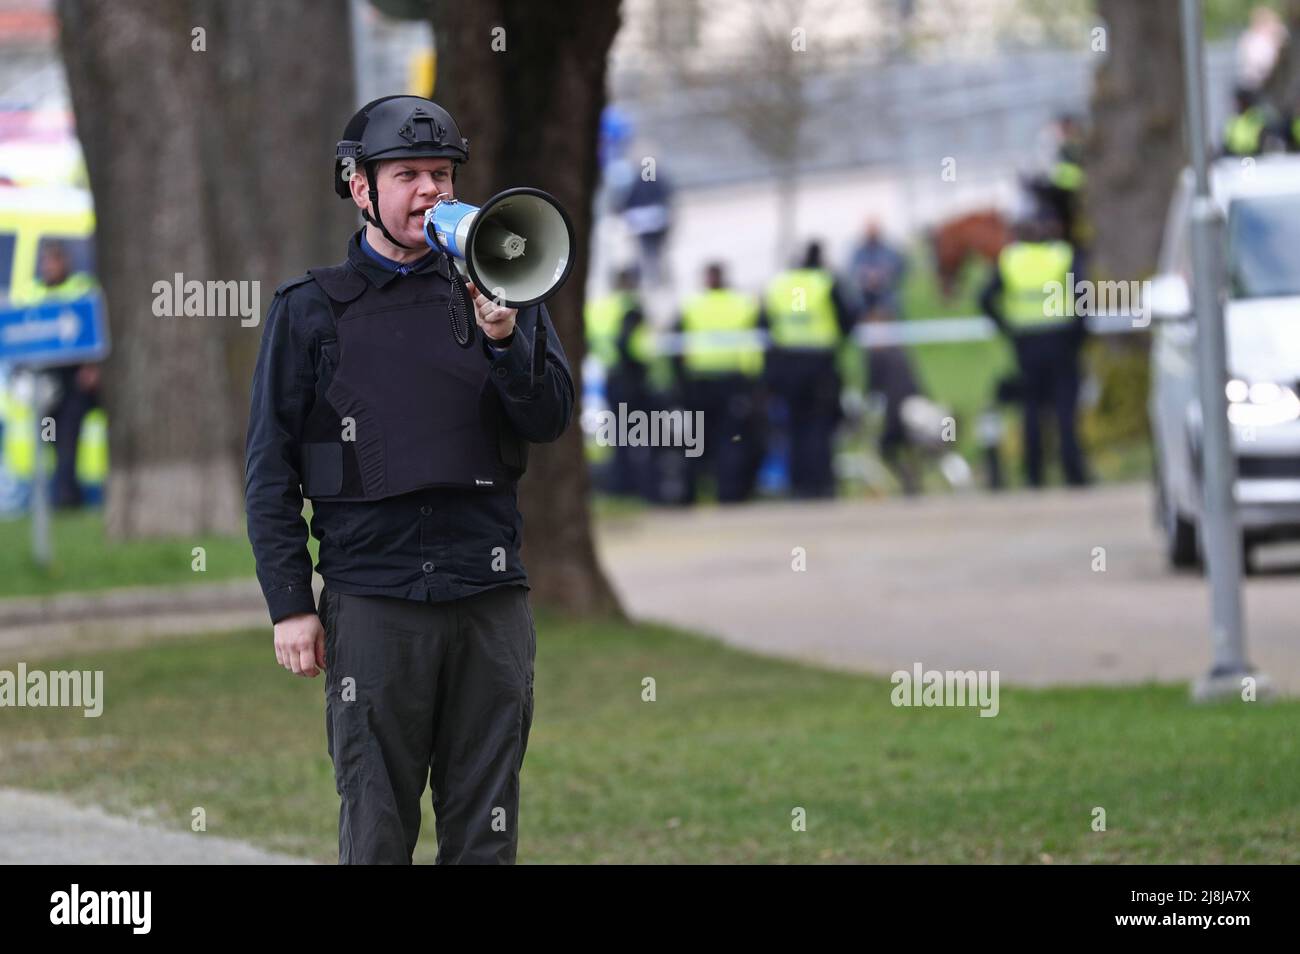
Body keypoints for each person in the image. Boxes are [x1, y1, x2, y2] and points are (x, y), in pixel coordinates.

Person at [244, 95, 574, 865]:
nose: (431, 190)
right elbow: (269, 471)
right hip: (375, 600)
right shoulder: (309, 310)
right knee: (378, 825)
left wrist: (506, 340)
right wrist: (291, 605)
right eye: (408, 175)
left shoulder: (505, 284)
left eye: (442, 174)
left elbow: (549, 417)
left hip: (489, 598)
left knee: (486, 825)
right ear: (361, 188)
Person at [979, 218, 1087, 488]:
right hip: (1061, 340)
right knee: (1065, 408)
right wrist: (1079, 333)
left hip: (1026, 343)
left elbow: (985, 297)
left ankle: (1034, 474)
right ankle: (1072, 470)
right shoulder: (1062, 255)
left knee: (1031, 410)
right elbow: (1082, 295)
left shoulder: (1011, 259)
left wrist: (1006, 326)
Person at [762, 241, 857, 499]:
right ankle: (822, 483)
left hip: (787, 366)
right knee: (820, 426)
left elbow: (764, 323)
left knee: (794, 427)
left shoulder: (779, 285)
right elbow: (848, 319)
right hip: (819, 364)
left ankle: (798, 485)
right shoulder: (824, 283)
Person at [674, 262, 764, 503]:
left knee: (695, 441)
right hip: (732, 381)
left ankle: (690, 494)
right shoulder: (742, 304)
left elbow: (676, 344)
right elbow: (755, 344)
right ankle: (729, 494)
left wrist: (680, 381)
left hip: (699, 381)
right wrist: (753, 383)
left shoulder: (693, 306)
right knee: (731, 441)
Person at [27, 242, 104, 509]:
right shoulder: (35, 291)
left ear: (64, 263)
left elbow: (95, 330)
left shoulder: (80, 288)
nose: (48, 267)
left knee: (68, 440)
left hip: (74, 382)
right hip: (47, 382)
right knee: (51, 439)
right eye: (45, 262)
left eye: (53, 261)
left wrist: (93, 368)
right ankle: (62, 494)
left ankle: (67, 499)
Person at [585, 266, 653, 497]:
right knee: (638, 435)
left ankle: (620, 484)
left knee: (620, 436)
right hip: (631, 377)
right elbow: (626, 343)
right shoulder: (631, 305)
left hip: (611, 375)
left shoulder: (600, 308)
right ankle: (638, 485)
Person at [850, 221, 906, 318]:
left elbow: (898, 268)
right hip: (866, 297)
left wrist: (882, 276)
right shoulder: (859, 252)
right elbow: (854, 271)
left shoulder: (889, 251)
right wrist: (867, 278)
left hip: (886, 295)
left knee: (893, 307)